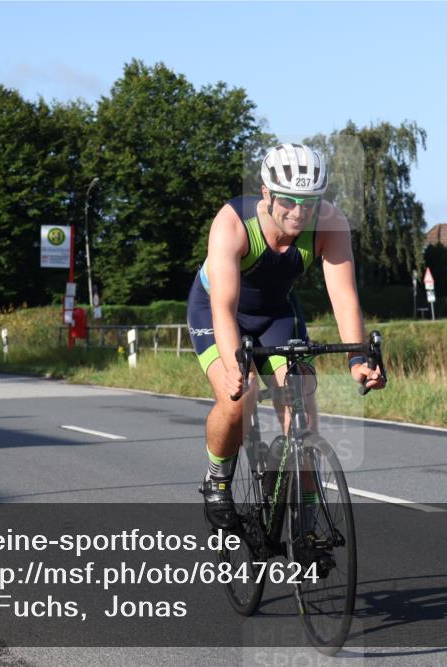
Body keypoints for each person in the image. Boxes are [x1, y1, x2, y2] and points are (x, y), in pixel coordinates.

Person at [187, 143, 386, 528]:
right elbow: (224, 306)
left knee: (304, 416)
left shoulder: (331, 224)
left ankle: (306, 520)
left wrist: (357, 360)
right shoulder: (233, 222)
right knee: (237, 397)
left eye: (309, 202)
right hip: (218, 312)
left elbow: (344, 298)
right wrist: (233, 366)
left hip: (277, 313)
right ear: (267, 193)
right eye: (289, 201)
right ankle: (217, 478)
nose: (299, 212)